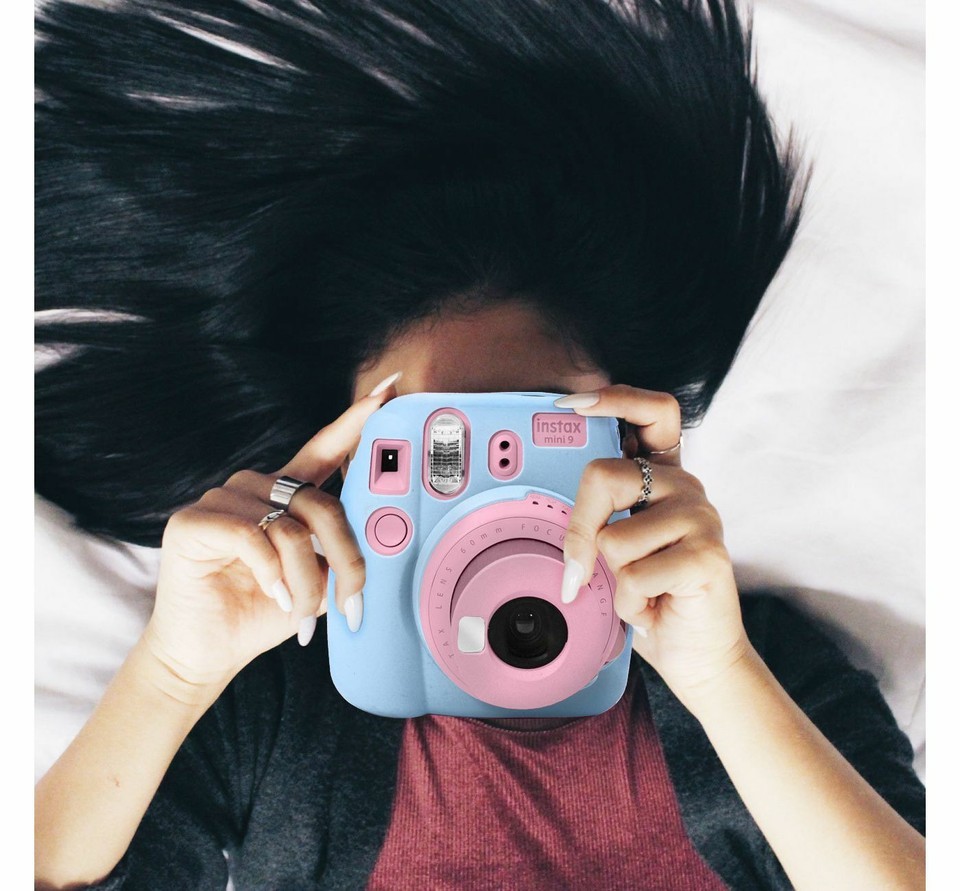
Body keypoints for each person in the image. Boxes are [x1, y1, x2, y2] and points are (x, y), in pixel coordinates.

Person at [34, 1, 924, 889]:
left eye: (538, 431)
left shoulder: (754, 668)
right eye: (427, 454)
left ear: (628, 446)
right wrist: (171, 676)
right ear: (345, 479)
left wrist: (723, 677)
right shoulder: (276, 700)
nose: (486, 493)